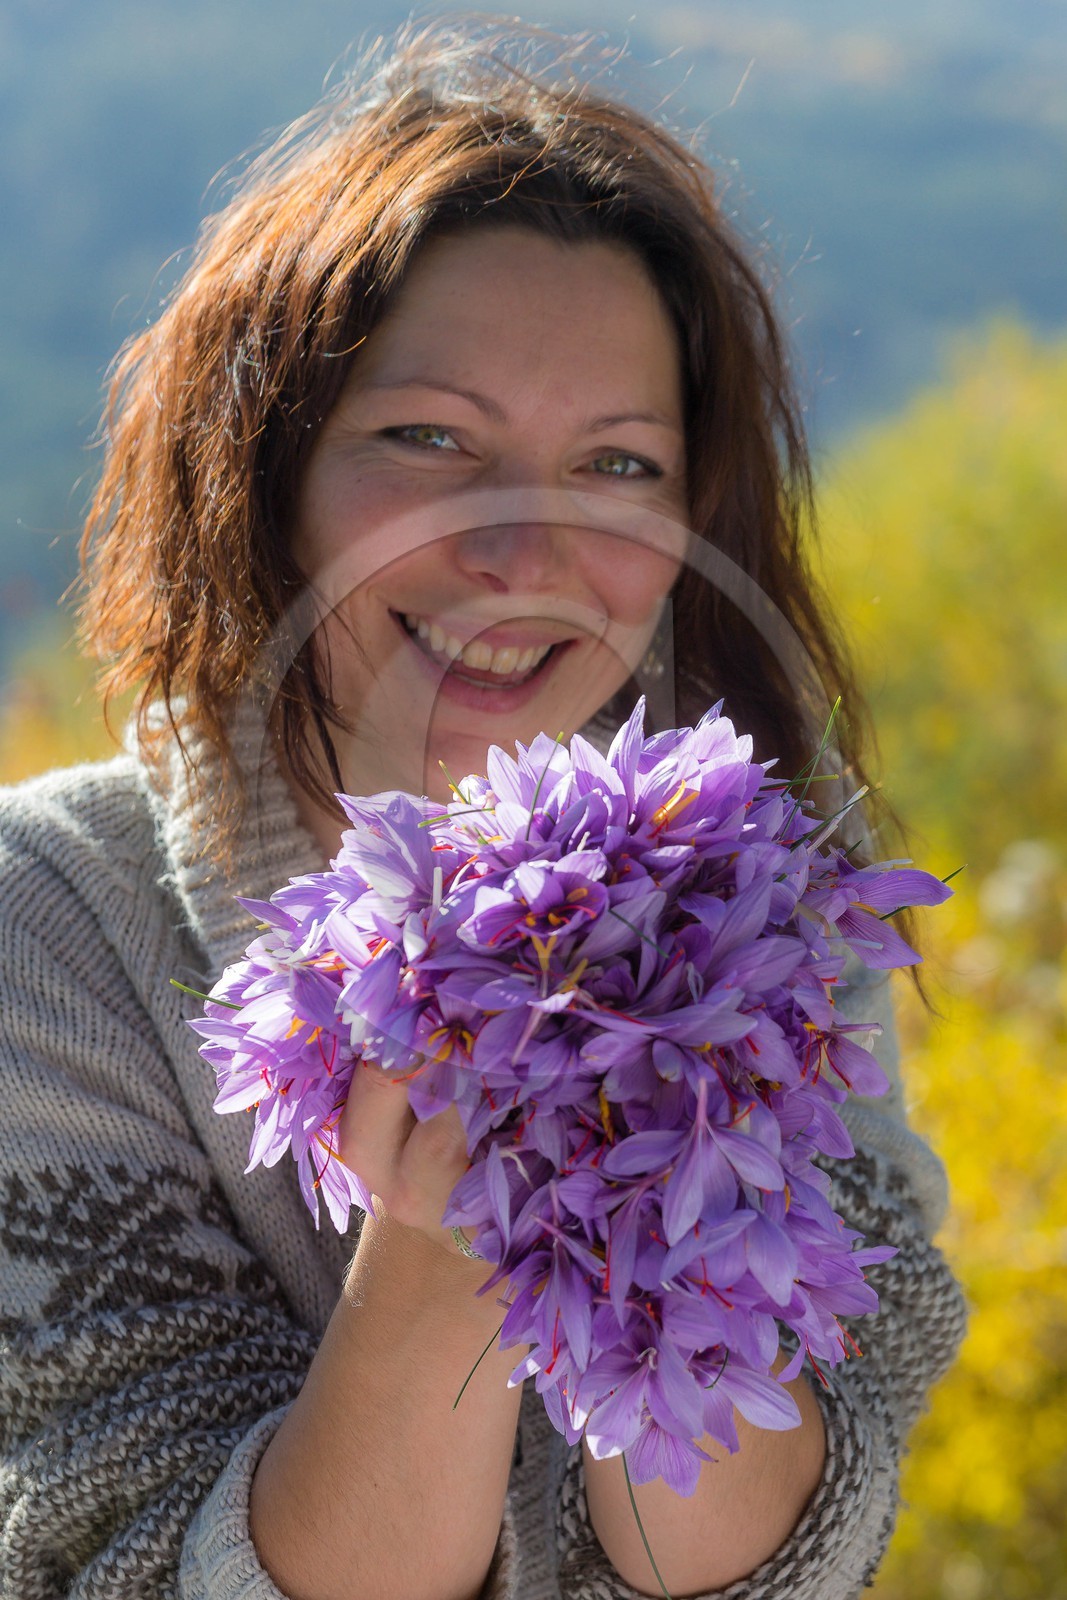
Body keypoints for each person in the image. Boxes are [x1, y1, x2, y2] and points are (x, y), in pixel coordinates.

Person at [0, 20, 965, 1600]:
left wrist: (642, 1109)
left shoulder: (762, 907)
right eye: (429, 439)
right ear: (266, 474)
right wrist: (452, 1213)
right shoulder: (46, 927)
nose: (526, 553)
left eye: (621, 465)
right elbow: (117, 1561)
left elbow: (781, 1557)